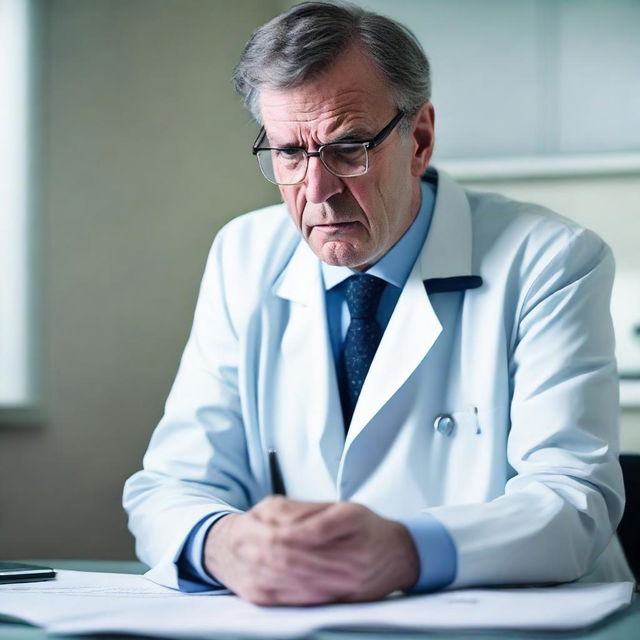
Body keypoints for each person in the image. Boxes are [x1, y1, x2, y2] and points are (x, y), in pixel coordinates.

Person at [123, 1, 633, 605]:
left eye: (348, 148)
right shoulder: (243, 255)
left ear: (419, 140)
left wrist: (404, 549)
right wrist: (224, 542)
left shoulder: (551, 259)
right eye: (289, 153)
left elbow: (574, 499)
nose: (316, 192)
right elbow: (170, 486)